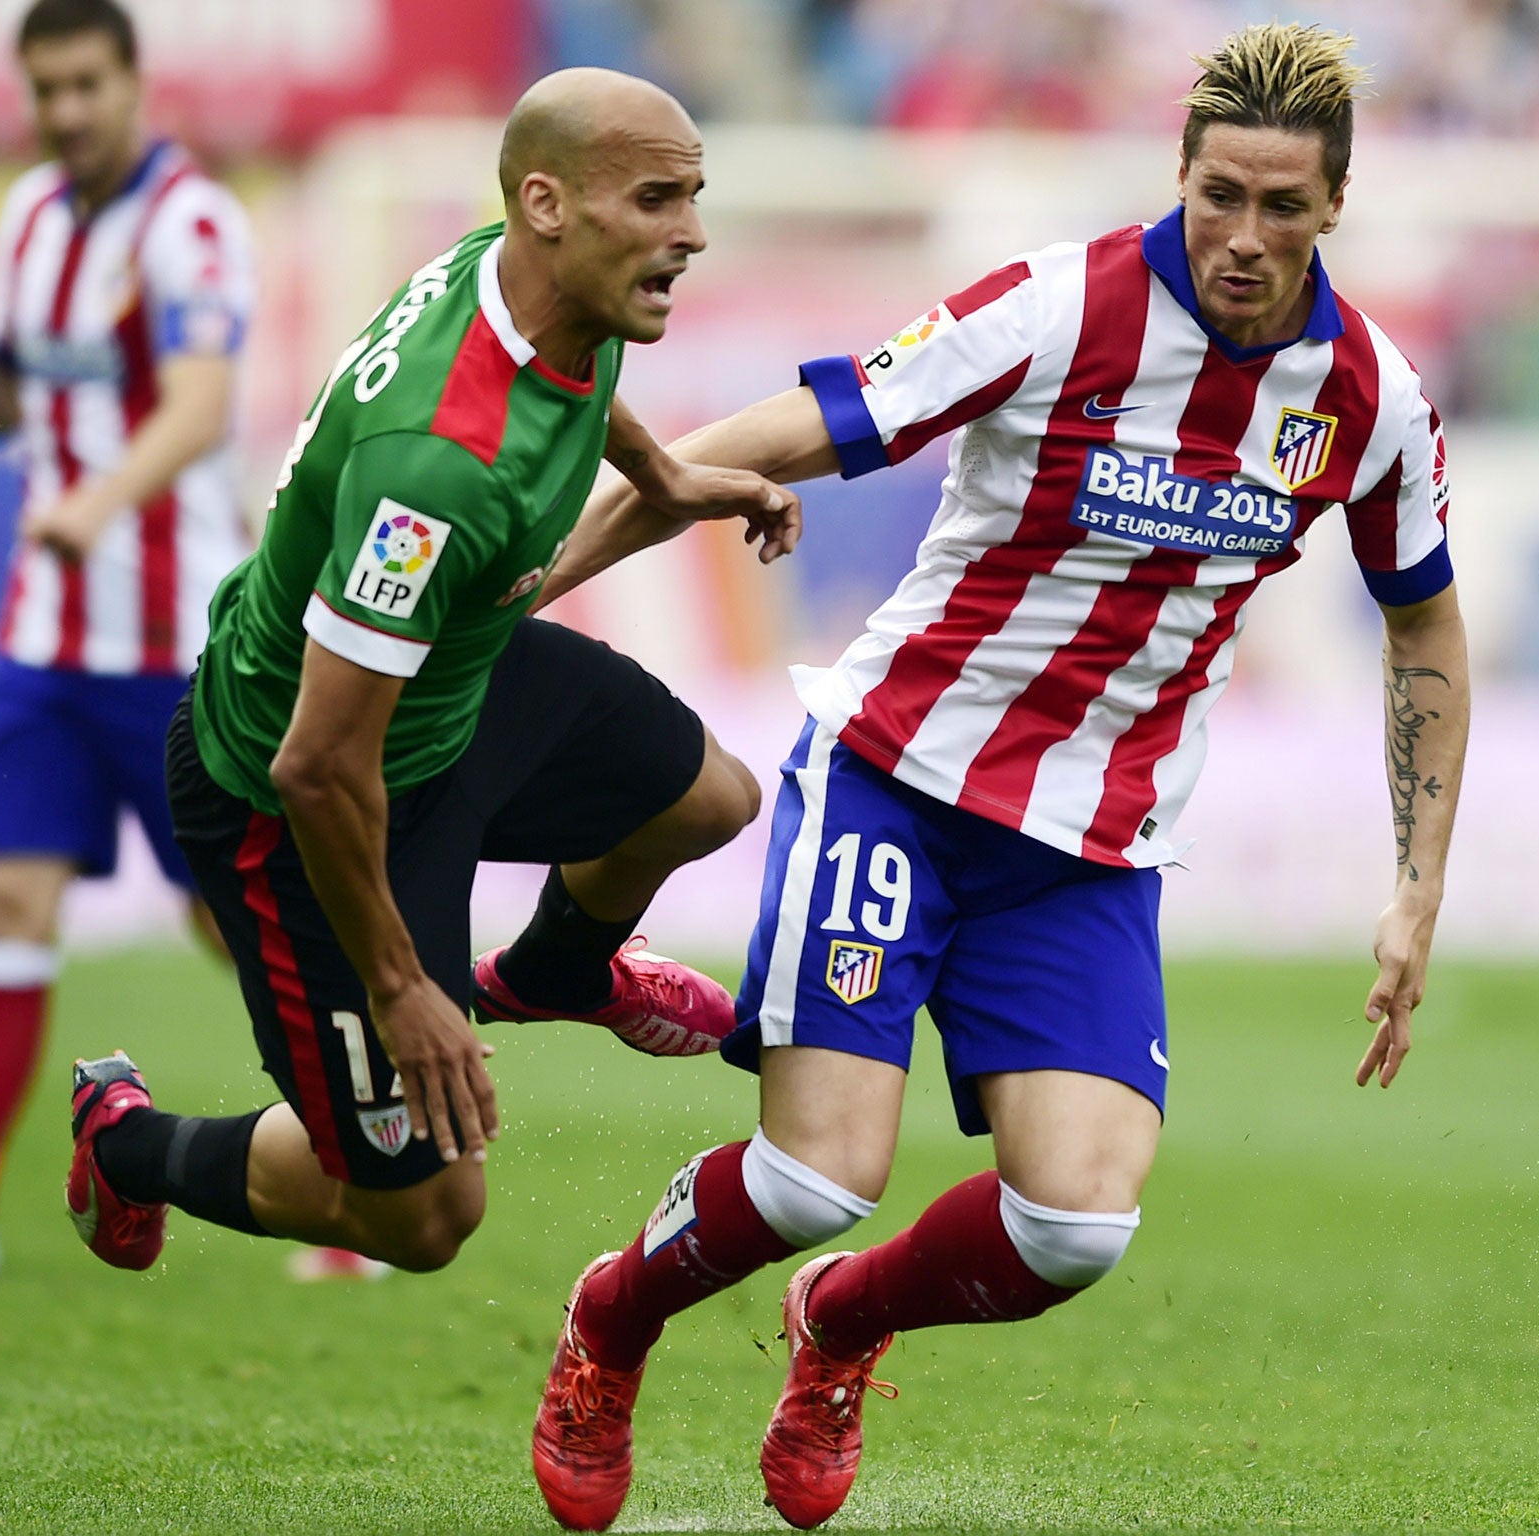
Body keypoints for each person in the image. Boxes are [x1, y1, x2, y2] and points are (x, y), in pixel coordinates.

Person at [526, 24, 1470, 1531]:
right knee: (814, 1178)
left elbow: (1421, 618)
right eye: (1219, 193)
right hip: (899, 774)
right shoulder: (1062, 304)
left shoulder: (1367, 396)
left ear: (1333, 209)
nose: (1242, 236)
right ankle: (612, 1321)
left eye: (1282, 208)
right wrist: (562, 557)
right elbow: (808, 422)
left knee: (1075, 1228)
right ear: (1182, 172)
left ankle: (840, 1326)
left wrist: (1418, 889)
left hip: (1090, 846)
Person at [62, 70, 804, 1279]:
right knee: (422, 1219)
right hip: (300, 803)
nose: (692, 233)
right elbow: (316, 763)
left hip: (444, 702)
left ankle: (554, 973)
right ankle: (127, 1144)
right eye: (660, 199)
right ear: (548, 204)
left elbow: (569, 378)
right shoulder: (434, 471)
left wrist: (660, 479)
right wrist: (405, 989)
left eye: (695, 196)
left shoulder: (518, 269)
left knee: (706, 798)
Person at [0, 0, 254, 1272]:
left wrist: (99, 505)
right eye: (44, 88)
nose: (63, 112)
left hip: (179, 650)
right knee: (5, 895)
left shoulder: (195, 225)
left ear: (132, 83)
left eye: (85, 85)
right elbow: (13, 412)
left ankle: (356, 1160)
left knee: (236, 922)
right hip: (44, 637)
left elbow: (204, 406)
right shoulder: (29, 218)